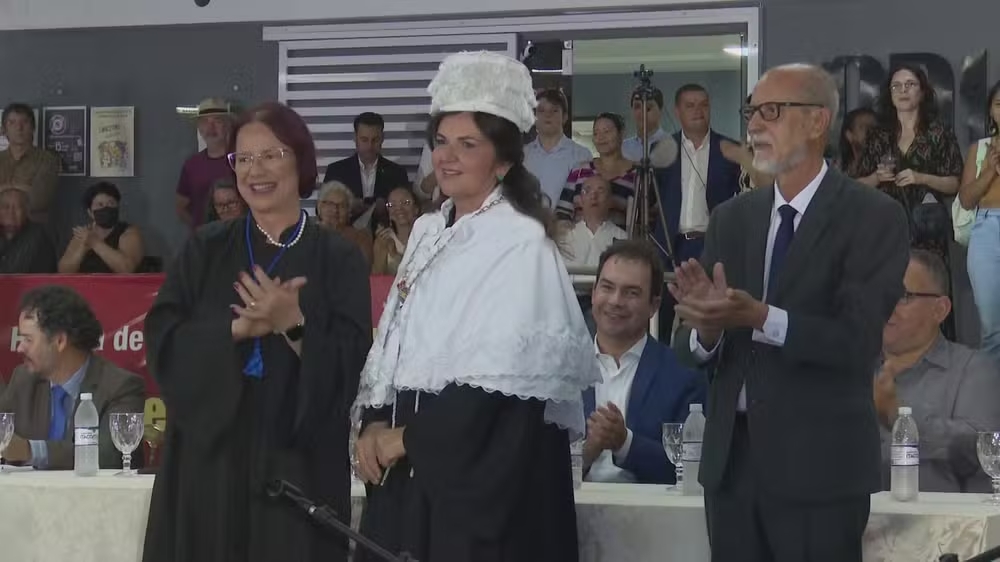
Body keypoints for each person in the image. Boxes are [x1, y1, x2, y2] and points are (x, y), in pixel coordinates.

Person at [352, 51, 598, 562]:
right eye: (442, 141)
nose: (447, 156)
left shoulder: (521, 241)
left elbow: (504, 385)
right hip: (408, 467)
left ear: (503, 160)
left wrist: (409, 439)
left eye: (468, 144)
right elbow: (393, 345)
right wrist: (374, 423)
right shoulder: (427, 229)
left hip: (476, 479)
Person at [669, 63, 909, 562]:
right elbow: (689, 348)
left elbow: (857, 340)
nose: (755, 125)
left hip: (820, 470)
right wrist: (707, 329)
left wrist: (762, 318)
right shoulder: (730, 218)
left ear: (818, 121)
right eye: (751, 112)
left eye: (772, 111)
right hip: (731, 470)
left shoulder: (873, 215)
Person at [141, 102, 372, 562]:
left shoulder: (338, 257)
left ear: (300, 161)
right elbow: (164, 340)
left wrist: (293, 324)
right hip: (208, 464)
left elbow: (355, 365)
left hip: (298, 467)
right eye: (243, 158)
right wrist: (236, 329)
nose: (255, 171)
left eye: (271, 155)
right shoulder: (204, 248)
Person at [875, 250, 1000, 493]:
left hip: (941, 517)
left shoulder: (973, 370)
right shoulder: (850, 371)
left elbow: (982, 451)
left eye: (902, 296)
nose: (887, 306)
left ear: (940, 309)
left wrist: (897, 417)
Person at [583, 240, 705, 485]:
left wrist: (625, 443)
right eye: (607, 287)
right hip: (569, 504)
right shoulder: (559, 369)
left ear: (654, 306)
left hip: (653, 507)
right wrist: (585, 453)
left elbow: (691, 470)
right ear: (594, 293)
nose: (616, 301)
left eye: (631, 292)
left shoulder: (683, 374)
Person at [0, 285, 145, 470]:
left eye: (28, 339)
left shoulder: (120, 387)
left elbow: (108, 455)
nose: (20, 348)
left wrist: (30, 450)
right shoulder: (23, 379)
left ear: (60, 341)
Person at [58, 181, 144, 274]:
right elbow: (63, 271)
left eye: (111, 203)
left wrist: (95, 243)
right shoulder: (84, 234)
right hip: (87, 283)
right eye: (100, 205)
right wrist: (82, 249)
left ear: (118, 207)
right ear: (90, 212)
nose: (106, 208)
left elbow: (126, 269)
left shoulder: (129, 233)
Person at [176, 97, 235, 230]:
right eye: (205, 121)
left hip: (237, 236)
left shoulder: (240, 160)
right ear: (199, 128)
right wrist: (200, 230)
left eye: (217, 121)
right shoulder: (192, 165)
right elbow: (181, 206)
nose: (211, 127)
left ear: (227, 125)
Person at [0, 184, 56, 273]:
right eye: (5, 207)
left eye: (17, 207)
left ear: (26, 211)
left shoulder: (40, 236)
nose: (11, 212)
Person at [371, 185, 419, 275]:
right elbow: (377, 276)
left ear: (416, 208)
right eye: (392, 205)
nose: (399, 208)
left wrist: (394, 255)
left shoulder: (427, 237)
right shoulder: (383, 239)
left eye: (406, 202)